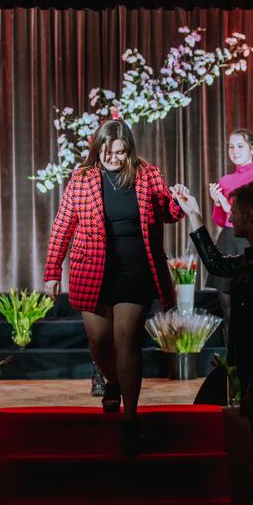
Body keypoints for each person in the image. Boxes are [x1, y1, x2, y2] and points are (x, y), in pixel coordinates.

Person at [44, 119, 185, 455]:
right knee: (99, 339)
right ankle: (112, 381)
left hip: (136, 269)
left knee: (126, 339)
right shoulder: (82, 179)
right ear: (98, 149)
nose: (114, 158)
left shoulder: (148, 174)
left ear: (130, 150)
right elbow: (62, 226)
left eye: (121, 152)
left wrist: (178, 202)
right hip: (92, 269)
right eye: (108, 152)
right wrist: (52, 270)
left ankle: (131, 419)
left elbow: (167, 211)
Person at [171, 182, 253, 496]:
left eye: (236, 212)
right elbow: (216, 264)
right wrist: (194, 215)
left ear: (250, 214)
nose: (231, 217)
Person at [207, 129, 253, 346]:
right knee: (228, 313)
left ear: (252, 148)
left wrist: (227, 206)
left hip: (251, 242)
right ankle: (231, 362)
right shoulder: (225, 180)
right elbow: (220, 220)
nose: (234, 151)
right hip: (228, 241)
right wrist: (218, 204)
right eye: (231, 147)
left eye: (240, 146)